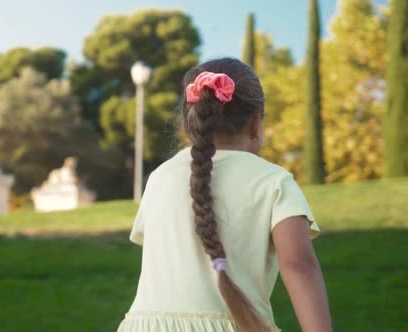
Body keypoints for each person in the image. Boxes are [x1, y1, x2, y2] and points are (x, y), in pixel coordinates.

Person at [117, 58, 332, 332]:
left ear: (187, 125)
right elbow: (299, 264)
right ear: (256, 123)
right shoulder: (274, 182)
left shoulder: (159, 178)